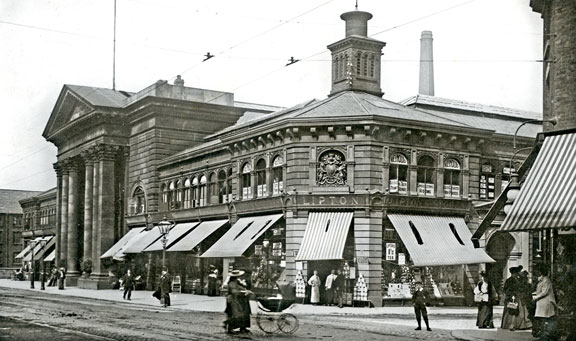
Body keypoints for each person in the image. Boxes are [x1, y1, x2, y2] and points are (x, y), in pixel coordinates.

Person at [501, 266, 533, 331]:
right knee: (512, 312)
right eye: (515, 273)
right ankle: (512, 325)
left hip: (518, 297)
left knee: (519, 311)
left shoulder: (518, 279)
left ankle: (520, 325)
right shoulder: (509, 280)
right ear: (513, 273)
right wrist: (511, 295)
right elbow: (506, 290)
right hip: (512, 297)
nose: (517, 274)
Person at [532, 265, 557, 340]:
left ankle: (545, 336)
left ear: (541, 272)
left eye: (538, 271)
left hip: (546, 302)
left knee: (545, 319)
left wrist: (535, 297)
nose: (537, 273)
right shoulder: (541, 280)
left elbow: (544, 292)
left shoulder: (546, 280)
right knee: (541, 319)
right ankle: (542, 335)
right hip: (541, 302)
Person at [224, 270, 253, 334]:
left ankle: (243, 327)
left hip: (240, 300)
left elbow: (242, 288)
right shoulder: (232, 283)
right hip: (233, 300)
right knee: (235, 314)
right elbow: (234, 292)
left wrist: (245, 291)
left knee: (243, 313)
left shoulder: (237, 282)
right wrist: (244, 292)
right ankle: (230, 328)